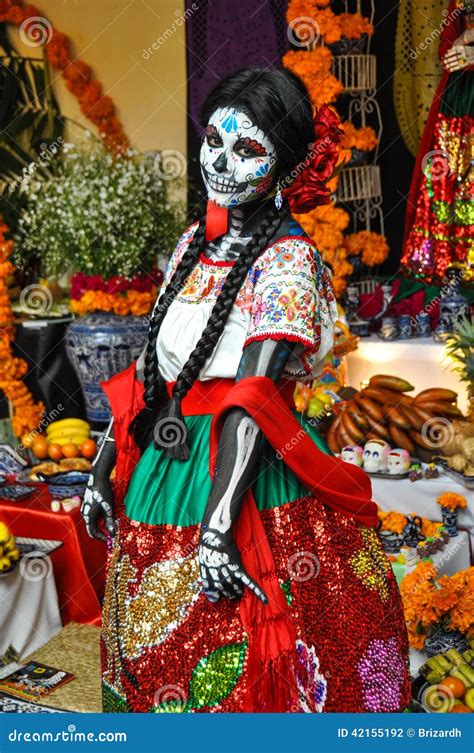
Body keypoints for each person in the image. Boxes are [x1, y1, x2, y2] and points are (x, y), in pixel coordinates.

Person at [82, 67, 410, 713]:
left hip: (251, 471)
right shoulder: (190, 246)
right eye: (214, 140)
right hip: (166, 466)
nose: (221, 163)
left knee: (255, 653)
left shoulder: (287, 259)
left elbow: (255, 396)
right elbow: (150, 371)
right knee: (155, 652)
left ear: (286, 167)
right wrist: (103, 465)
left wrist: (218, 525)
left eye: (248, 150)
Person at [402, 0, 473, 283]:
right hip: (460, 97)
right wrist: (459, 45)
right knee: (453, 179)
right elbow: (445, 48)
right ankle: (454, 263)